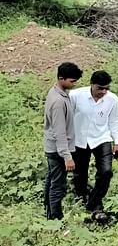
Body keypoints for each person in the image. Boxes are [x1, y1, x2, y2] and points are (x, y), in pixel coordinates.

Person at [71, 70, 118, 222]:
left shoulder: (112, 99)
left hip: (102, 138)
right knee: (80, 173)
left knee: (106, 172)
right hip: (79, 139)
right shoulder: (75, 96)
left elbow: (114, 120)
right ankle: (82, 196)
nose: (103, 92)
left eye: (107, 88)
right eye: (100, 88)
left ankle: (94, 202)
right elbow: (66, 117)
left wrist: (117, 141)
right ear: (92, 84)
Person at [43, 62, 83, 220]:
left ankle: (48, 212)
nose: (75, 84)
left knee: (52, 180)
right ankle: (55, 219)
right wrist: (67, 157)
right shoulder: (58, 102)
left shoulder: (57, 92)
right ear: (61, 78)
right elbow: (59, 131)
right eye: (72, 81)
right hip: (58, 149)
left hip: (54, 147)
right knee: (58, 185)